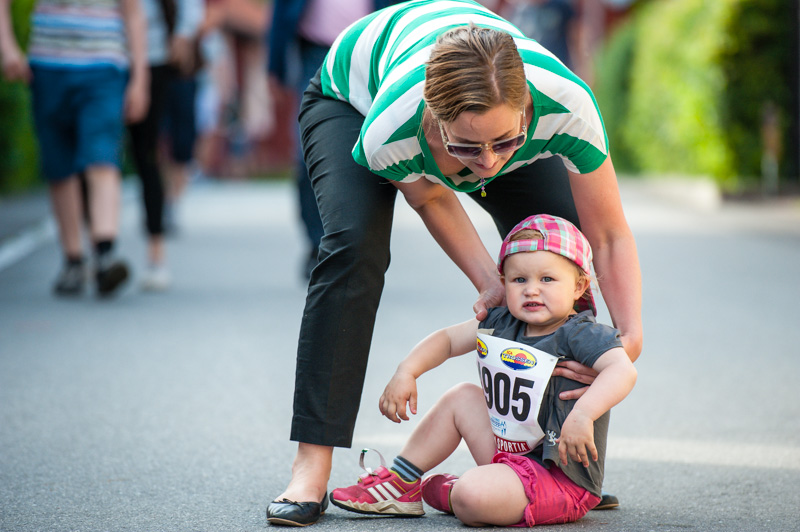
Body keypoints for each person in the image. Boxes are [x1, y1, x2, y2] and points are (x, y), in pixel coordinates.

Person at [266, 0, 642, 526]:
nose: (488, 164)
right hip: (348, 97)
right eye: (468, 146)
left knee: (558, 245)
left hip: (482, 102)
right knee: (355, 248)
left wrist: (630, 334)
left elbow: (606, 234)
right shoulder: (390, 130)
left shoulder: (567, 105)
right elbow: (434, 198)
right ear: (434, 122)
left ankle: (559, 461)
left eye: (504, 143)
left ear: (529, 114)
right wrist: (492, 284)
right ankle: (312, 462)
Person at [328, 214, 637, 526]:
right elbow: (447, 340)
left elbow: (622, 371)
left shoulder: (580, 333)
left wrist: (583, 414)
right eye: (520, 280)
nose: (531, 290)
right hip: (508, 458)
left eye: (547, 279)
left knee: (470, 495)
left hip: (558, 478)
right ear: (504, 283)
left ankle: (457, 494)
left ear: (579, 286)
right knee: (462, 396)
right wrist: (406, 371)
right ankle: (401, 482)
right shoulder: (501, 322)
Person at [0, 0, 149, 297]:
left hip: (104, 65)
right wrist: (7, 48)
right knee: (59, 166)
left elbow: (134, 15)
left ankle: (105, 253)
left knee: (102, 158)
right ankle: (73, 259)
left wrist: (140, 81)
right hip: (48, 66)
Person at [266, 0, 402, 280]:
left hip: (372, 52)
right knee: (307, 155)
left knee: (375, 151)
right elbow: (280, 12)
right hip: (317, 53)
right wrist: (275, 69)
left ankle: (361, 247)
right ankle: (319, 244)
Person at [127, 0, 203, 291]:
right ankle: (93, 249)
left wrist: (183, 34)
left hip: (159, 54)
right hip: (104, 56)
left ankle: (156, 251)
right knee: (102, 157)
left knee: (158, 148)